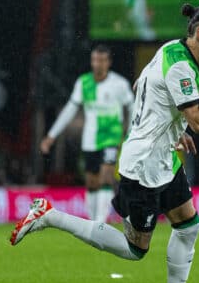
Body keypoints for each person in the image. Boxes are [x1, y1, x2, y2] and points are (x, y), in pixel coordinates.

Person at [12, 3, 199, 283]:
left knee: (188, 225)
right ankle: (50, 216)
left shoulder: (171, 49)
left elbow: (140, 86)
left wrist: (174, 128)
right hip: (143, 165)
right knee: (135, 249)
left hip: (163, 159)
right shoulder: (183, 66)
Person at [40, 45, 134, 223]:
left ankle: (100, 223)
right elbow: (69, 109)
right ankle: (93, 221)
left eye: (101, 60)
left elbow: (132, 105)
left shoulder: (119, 84)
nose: (97, 64)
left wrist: (130, 132)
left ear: (108, 62)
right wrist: (51, 135)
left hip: (111, 137)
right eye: (95, 60)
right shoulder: (83, 83)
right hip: (90, 140)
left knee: (106, 176)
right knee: (91, 182)